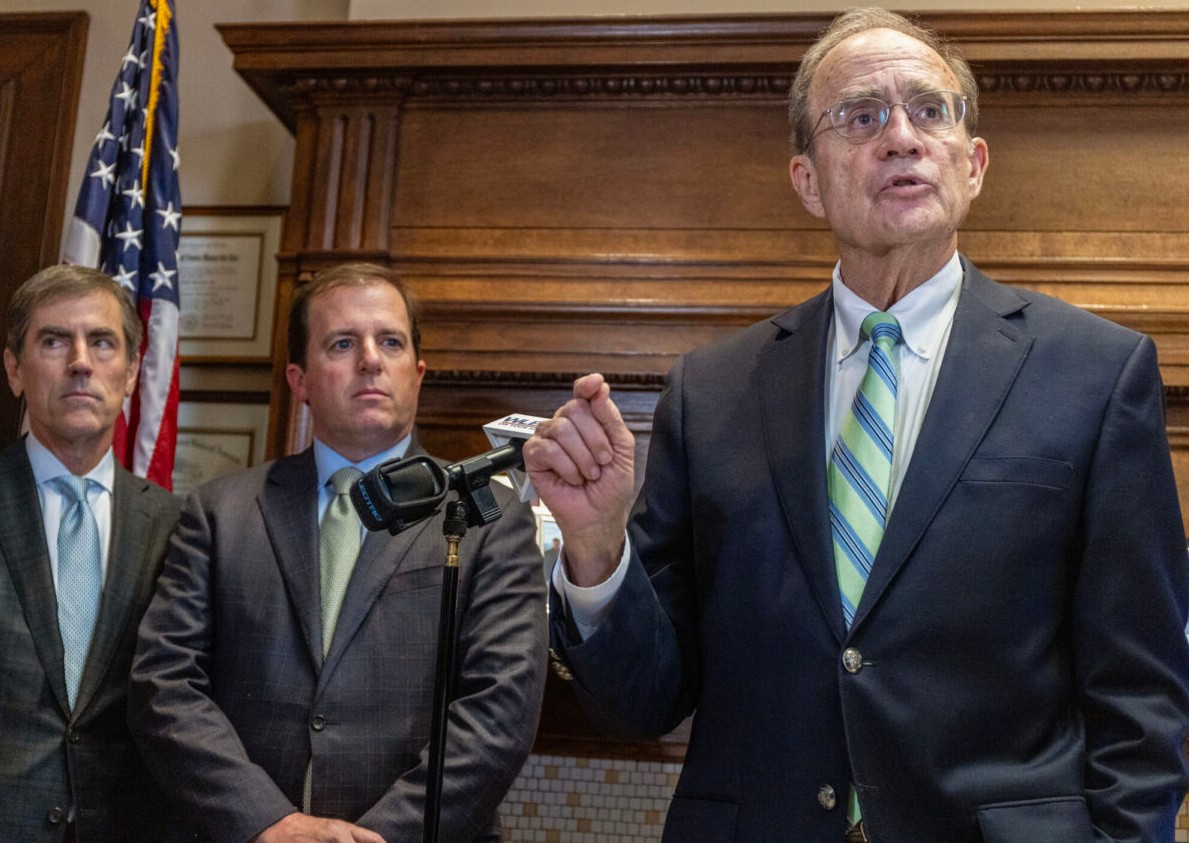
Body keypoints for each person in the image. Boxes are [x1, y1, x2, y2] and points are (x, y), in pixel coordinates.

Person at [523, 9, 1189, 843]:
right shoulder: (712, 390)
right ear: (807, 180)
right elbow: (642, 702)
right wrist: (595, 549)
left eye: (929, 110)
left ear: (972, 164)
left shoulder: (1095, 373)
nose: (901, 137)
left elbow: (1140, 690)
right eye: (862, 116)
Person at [129, 262, 547, 843]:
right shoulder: (219, 512)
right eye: (343, 343)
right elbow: (165, 684)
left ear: (417, 374)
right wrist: (267, 822)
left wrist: (382, 837)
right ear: (298, 380)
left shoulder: (488, 518)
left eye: (390, 342)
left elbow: (501, 708)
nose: (370, 360)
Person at [0, 265, 182, 841]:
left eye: (102, 342)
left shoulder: (178, 526)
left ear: (131, 373)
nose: (81, 362)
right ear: (14, 369)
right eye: (54, 341)